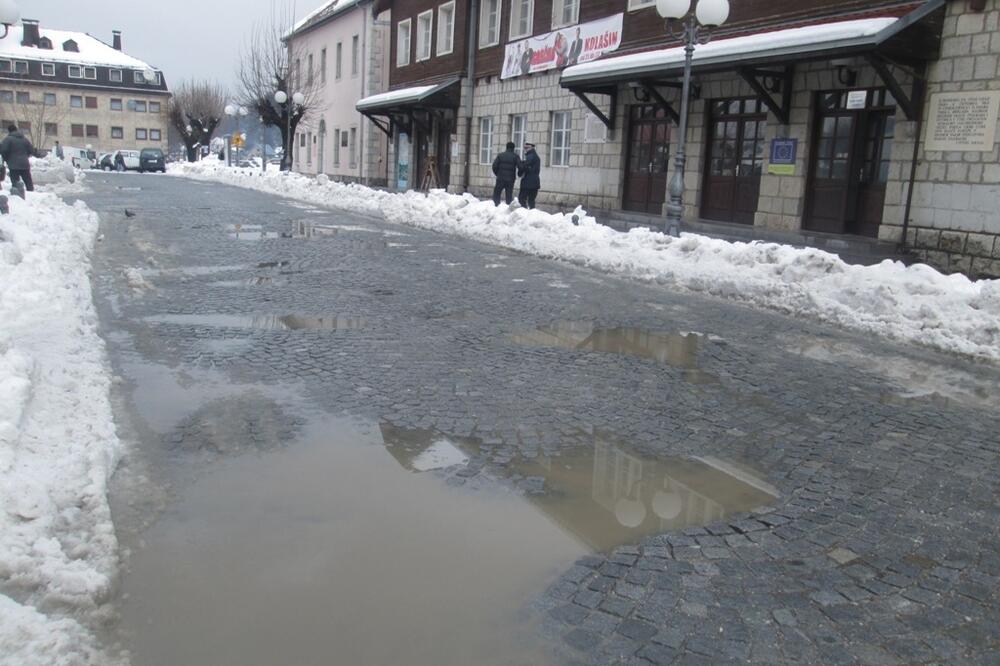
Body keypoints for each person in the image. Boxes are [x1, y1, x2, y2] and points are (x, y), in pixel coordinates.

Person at [0, 125, 35, 193]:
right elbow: (31, 150)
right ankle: (31, 194)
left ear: (9, 131)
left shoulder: (8, 139)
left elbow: (3, 150)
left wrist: (7, 159)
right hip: (25, 164)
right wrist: (25, 156)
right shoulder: (25, 139)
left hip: (13, 165)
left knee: (15, 182)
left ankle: (17, 196)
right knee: (28, 181)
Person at [491, 141, 521, 205]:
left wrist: (498, 174)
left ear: (506, 147)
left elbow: (494, 166)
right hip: (510, 179)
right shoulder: (515, 156)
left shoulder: (500, 155)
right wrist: (519, 174)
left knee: (497, 193)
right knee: (509, 195)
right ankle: (508, 208)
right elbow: (520, 167)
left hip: (500, 178)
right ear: (513, 148)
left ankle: (496, 206)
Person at [518, 142, 541, 209]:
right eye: (524, 148)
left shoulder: (530, 156)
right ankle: (531, 216)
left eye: (527, 148)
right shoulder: (536, 156)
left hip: (527, 182)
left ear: (532, 148)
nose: (525, 149)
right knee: (531, 201)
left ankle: (524, 215)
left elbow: (525, 168)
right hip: (535, 182)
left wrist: (520, 166)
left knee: (522, 199)